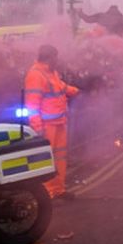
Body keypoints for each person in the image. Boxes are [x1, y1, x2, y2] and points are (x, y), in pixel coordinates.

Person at [24, 45, 80, 199]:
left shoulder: (51, 73)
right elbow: (32, 105)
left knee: (59, 158)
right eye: (56, 57)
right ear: (50, 57)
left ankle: (58, 189)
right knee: (46, 159)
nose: (58, 60)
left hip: (59, 122)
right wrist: (37, 128)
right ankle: (47, 193)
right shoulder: (35, 74)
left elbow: (61, 87)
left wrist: (76, 90)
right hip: (46, 125)